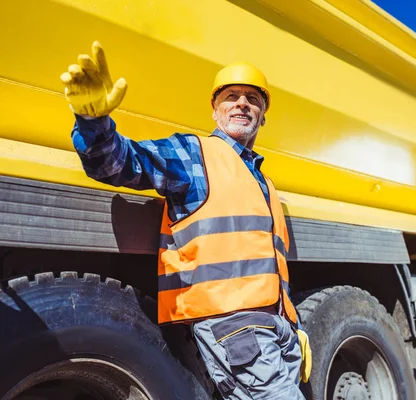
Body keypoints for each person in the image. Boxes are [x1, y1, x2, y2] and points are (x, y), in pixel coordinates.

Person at [60, 41, 311, 400]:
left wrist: (293, 326)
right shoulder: (195, 154)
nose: (242, 103)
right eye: (231, 96)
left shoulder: (265, 184)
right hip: (235, 328)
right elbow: (119, 162)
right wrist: (92, 121)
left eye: (253, 98)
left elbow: (268, 268)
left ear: (263, 114)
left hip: (276, 330)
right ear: (215, 110)